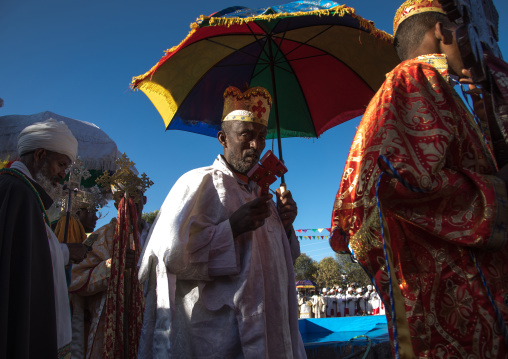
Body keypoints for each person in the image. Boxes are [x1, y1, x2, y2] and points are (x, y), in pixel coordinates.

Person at [329, 0, 508, 357]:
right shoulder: (416, 79)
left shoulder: (421, 85)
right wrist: (498, 190)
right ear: (443, 32)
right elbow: (400, 182)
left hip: (434, 297)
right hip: (459, 299)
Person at [137, 86, 305, 358]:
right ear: (223, 138)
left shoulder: (264, 195)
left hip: (271, 331)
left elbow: (282, 262)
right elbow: (164, 260)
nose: (256, 146)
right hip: (219, 338)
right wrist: (231, 229)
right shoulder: (197, 184)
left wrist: (285, 225)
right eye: (246, 135)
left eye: (262, 137)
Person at [0, 119, 82, 358]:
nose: (62, 175)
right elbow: (28, 261)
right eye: (60, 165)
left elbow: (29, 251)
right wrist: (65, 252)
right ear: (39, 154)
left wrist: (64, 252)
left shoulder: (23, 191)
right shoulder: (18, 192)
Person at [69, 157, 152, 359]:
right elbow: (74, 279)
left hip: (150, 319)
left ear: (144, 199)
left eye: (135, 196)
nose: (131, 204)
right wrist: (113, 266)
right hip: (108, 325)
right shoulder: (98, 237)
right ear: (116, 204)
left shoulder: (156, 234)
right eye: (124, 200)